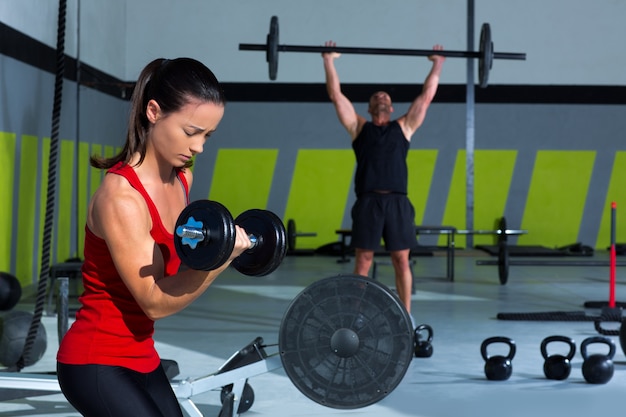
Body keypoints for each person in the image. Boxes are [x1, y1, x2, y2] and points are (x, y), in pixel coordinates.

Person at [56, 57, 251, 417]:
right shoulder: (121, 198)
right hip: (95, 360)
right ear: (154, 111)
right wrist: (221, 261)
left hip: (143, 354)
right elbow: (154, 301)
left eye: (208, 135)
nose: (199, 147)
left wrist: (224, 243)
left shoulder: (182, 179)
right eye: (191, 132)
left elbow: (187, 253)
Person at [322, 41, 445, 318]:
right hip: (368, 202)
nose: (381, 96)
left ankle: (406, 316)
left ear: (390, 107)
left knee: (402, 260)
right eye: (376, 96)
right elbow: (335, 95)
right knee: (363, 260)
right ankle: (354, 315)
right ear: (369, 107)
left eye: (385, 96)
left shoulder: (405, 127)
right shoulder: (358, 127)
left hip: (398, 203)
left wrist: (437, 63)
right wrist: (329, 59)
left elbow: (426, 96)